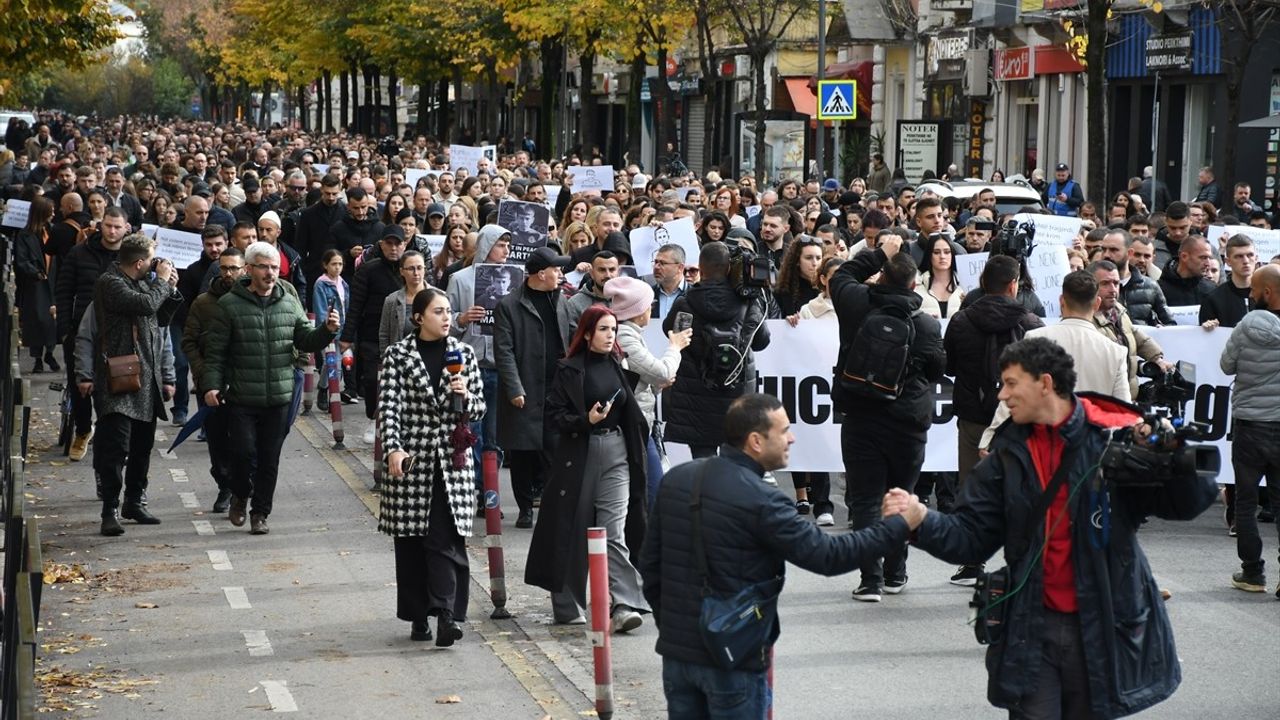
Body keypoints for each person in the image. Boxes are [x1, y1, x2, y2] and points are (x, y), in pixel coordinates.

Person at [900, 337, 1218, 719]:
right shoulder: (1007, 455)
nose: (1002, 395)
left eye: (1011, 383)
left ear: (1045, 383)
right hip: (1031, 631)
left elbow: (1183, 505)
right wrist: (921, 521)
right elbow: (970, 540)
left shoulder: (1111, 438)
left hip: (1102, 627)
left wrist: (1176, 458)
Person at [639, 394, 923, 718]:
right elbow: (829, 555)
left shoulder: (678, 479)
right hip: (733, 660)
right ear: (756, 441)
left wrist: (675, 629)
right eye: (784, 430)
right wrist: (898, 527)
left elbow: (650, 567)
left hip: (678, 658)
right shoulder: (763, 500)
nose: (792, 437)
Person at [829, 235, 946, 601]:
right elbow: (937, 371)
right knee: (901, 495)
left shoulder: (855, 303)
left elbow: (841, 274)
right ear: (915, 285)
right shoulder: (926, 325)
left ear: (880, 277)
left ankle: (871, 580)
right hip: (907, 421)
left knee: (864, 499)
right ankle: (896, 573)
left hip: (861, 415)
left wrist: (880, 253)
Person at [525, 305, 652, 630]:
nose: (611, 336)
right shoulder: (569, 369)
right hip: (579, 453)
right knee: (573, 527)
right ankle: (568, 605)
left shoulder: (616, 364)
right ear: (588, 333)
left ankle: (623, 604)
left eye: (613, 329)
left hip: (617, 453)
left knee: (615, 531)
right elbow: (553, 417)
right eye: (604, 330)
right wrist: (585, 420)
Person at [201, 242, 340, 535]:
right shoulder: (229, 305)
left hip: (278, 396)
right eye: (263, 266)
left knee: (269, 459)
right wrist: (211, 386)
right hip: (241, 396)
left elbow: (305, 339)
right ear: (249, 269)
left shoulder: (288, 301)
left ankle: (260, 512)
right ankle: (240, 493)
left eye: (275, 267)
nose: (270, 273)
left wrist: (327, 330)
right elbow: (215, 353)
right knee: (241, 453)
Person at [379, 287, 486, 645]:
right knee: (412, 541)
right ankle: (418, 615)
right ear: (418, 317)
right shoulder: (397, 356)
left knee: (446, 537)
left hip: (452, 459)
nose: (445, 318)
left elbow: (479, 409)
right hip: (414, 458)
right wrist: (394, 449)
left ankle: (446, 614)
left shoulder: (464, 354)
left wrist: (465, 394)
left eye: (448, 311)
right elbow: (390, 408)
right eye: (438, 311)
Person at [942, 256, 1043, 585]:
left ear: (984, 282)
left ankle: (973, 562)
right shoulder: (1030, 323)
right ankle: (1024, 561)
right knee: (1023, 486)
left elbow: (950, 366)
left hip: (974, 414)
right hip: (1017, 417)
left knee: (971, 485)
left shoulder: (960, 321)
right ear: (1014, 285)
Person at [83, 233, 180, 536]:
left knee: (142, 446)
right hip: (119, 377)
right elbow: (146, 305)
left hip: (146, 376)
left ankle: (134, 501)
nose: (154, 265)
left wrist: (170, 286)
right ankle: (110, 508)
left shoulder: (141, 282)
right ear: (139, 262)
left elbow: (161, 315)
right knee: (116, 447)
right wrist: (161, 282)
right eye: (151, 260)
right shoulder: (110, 283)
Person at [981, 271, 1132, 452]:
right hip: (1090, 454)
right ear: (1097, 303)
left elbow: (1015, 393)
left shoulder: (1035, 338)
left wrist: (991, 437)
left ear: (1061, 301)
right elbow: (1122, 413)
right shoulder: (1115, 352)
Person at [662, 242, 772, 459]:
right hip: (738, 396)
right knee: (736, 469)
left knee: (704, 470)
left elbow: (670, 330)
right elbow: (761, 341)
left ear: (700, 270)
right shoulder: (748, 302)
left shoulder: (686, 302)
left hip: (697, 401)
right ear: (729, 269)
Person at [494, 246, 572, 528]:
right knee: (524, 452)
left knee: (555, 451)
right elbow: (503, 351)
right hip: (525, 388)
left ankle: (551, 507)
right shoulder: (510, 305)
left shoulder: (561, 299)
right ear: (542, 273)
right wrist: (514, 387)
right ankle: (525, 508)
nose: (561, 274)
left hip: (556, 388)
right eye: (557, 269)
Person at [1220, 264, 1280, 597]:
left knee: (1245, 502)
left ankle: (1253, 574)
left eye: (1254, 290)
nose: (1251, 295)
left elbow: (1226, 365)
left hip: (1249, 427)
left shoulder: (1247, 326)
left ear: (1267, 293)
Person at [604, 276, 690, 507]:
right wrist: (675, 347)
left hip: (641, 420)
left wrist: (657, 386)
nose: (651, 309)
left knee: (646, 487)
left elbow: (643, 380)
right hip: (635, 423)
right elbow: (662, 371)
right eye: (648, 305)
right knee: (653, 487)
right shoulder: (625, 336)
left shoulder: (630, 334)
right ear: (638, 309)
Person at [56, 206, 128, 461]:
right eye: (108, 225)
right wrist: (65, 331)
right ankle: (83, 429)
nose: (112, 231)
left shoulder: (130, 258)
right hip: (80, 330)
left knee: (117, 384)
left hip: (118, 333)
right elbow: (64, 292)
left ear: (126, 228)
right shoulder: (79, 253)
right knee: (81, 385)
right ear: (100, 225)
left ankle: (113, 435)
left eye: (117, 227)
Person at [182, 247, 246, 514]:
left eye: (234, 268)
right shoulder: (203, 303)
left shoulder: (250, 300)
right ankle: (224, 484)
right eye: (224, 268)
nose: (228, 273)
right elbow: (189, 341)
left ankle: (240, 488)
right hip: (211, 383)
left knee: (243, 440)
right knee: (217, 439)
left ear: (244, 269)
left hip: (242, 383)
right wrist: (202, 373)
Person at [340, 225, 407, 442]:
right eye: (389, 243)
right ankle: (373, 417)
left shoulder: (411, 270)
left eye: (398, 243)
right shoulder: (368, 270)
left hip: (404, 336)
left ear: (404, 245)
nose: (394, 248)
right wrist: (347, 337)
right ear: (381, 245)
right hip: (372, 335)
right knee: (372, 380)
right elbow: (355, 306)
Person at [1089, 261, 1170, 399]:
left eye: (1116, 283)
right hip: (1103, 399)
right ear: (1090, 286)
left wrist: (1157, 358)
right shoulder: (1085, 320)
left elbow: (1134, 334)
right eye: (1105, 283)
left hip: (1127, 397)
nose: (1113, 289)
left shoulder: (1119, 311)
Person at [14, 196, 58, 373]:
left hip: (53, 280)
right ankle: (38, 357)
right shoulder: (25, 235)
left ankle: (50, 352)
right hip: (36, 283)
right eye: (51, 210)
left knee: (51, 321)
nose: (54, 213)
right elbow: (22, 260)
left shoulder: (52, 230)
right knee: (37, 320)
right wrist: (35, 273)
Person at [1099, 229, 1174, 326]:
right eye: (1103, 249)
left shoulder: (1151, 286)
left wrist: (1159, 330)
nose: (1106, 255)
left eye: (1113, 250)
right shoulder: (1092, 285)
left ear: (1129, 253)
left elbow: (1170, 323)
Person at [1200, 234, 1256, 330]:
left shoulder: (1268, 294)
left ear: (1256, 258)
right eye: (1239, 256)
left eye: (1250, 255)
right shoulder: (1213, 299)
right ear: (1228, 261)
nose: (1246, 260)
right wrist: (1208, 327)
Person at [378, 250, 429, 355]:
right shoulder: (391, 300)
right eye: (411, 268)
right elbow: (384, 334)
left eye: (419, 268)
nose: (416, 273)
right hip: (400, 360)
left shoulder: (439, 297)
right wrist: (387, 358)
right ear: (402, 271)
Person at [1158, 234, 1216, 307]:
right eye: (1203, 258)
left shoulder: (1211, 289)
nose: (1208, 263)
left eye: (1209, 258)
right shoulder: (1159, 290)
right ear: (1184, 256)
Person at [916, 232, 965, 319]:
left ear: (952, 254)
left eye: (947, 252)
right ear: (929, 255)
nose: (942, 256)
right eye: (936, 252)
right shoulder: (917, 286)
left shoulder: (964, 285)